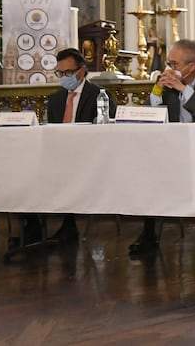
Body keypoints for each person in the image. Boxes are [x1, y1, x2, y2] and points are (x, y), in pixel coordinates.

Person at [128, 39, 195, 255]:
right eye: (168, 63)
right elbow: (150, 115)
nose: (169, 69)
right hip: (173, 148)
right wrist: (157, 90)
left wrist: (183, 89)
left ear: (191, 66)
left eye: (173, 64)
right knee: (149, 171)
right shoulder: (167, 83)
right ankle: (149, 233)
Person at [34, 47, 117, 246]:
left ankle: (68, 225)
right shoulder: (56, 99)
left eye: (68, 73)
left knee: (65, 171)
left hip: (88, 156)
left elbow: (107, 130)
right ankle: (33, 229)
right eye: (60, 73)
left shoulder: (100, 95)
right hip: (59, 153)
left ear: (82, 71)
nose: (64, 78)